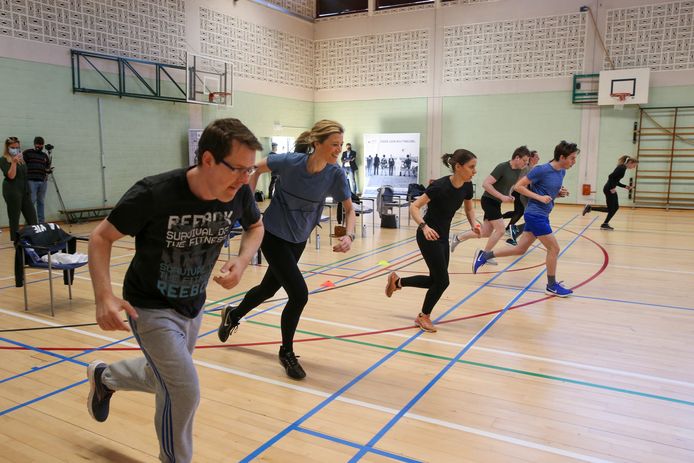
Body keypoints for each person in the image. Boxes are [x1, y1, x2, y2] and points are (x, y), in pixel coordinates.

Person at [86, 118, 264, 463]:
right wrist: (103, 296)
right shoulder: (155, 193)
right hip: (149, 307)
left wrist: (242, 262)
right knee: (183, 389)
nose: (246, 179)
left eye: (250, 170)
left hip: (194, 305)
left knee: (162, 377)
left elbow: (256, 226)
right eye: (239, 169)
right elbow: (100, 237)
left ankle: (105, 377)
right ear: (208, 159)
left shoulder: (238, 193)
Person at [217, 120, 357, 380]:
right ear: (317, 144)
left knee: (269, 288)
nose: (338, 150)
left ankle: (233, 314)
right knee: (299, 294)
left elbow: (350, 210)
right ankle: (286, 352)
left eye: (340, 145)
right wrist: (247, 203)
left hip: (299, 237)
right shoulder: (290, 162)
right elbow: (255, 168)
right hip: (272, 234)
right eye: (334, 145)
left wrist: (349, 235)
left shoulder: (335, 174)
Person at [385, 149, 478, 333]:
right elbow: (415, 206)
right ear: (458, 167)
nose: (475, 171)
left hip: (443, 237)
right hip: (428, 236)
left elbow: (469, 209)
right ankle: (423, 316)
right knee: (443, 281)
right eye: (471, 167)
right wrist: (424, 227)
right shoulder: (440, 186)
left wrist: (474, 224)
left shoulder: (467, 186)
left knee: (435, 280)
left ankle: (398, 282)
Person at [471, 140, 579, 298]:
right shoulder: (541, 170)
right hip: (535, 215)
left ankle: (484, 255)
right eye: (572, 158)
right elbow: (518, 187)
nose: (574, 162)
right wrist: (539, 197)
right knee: (554, 249)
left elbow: (548, 191)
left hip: (543, 214)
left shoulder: (561, 171)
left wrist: (558, 194)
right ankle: (551, 286)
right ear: (562, 157)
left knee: (519, 249)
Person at [450, 146, 529, 255]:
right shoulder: (502, 167)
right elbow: (486, 184)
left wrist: (509, 194)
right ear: (517, 158)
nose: (525, 163)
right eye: (524, 160)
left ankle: (458, 238)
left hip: (496, 203)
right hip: (488, 201)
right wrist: (501, 196)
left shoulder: (519, 171)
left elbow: (512, 185)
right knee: (501, 230)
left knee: (486, 232)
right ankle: (484, 255)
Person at [582, 155, 638, 230]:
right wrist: (612, 188)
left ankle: (592, 210)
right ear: (630, 162)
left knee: (614, 208)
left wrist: (625, 186)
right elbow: (610, 177)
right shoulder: (622, 168)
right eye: (634, 165)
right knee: (611, 209)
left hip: (609, 188)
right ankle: (603, 222)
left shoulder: (622, 167)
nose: (634, 167)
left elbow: (616, 181)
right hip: (609, 189)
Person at [1, 136, 38, 241]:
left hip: (24, 190)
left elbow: (25, 174)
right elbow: (11, 176)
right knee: (14, 217)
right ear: (7, 148)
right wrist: (14, 162)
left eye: (17, 147)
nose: (15, 149)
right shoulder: (3, 159)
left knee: (32, 215)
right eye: (13, 147)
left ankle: (36, 237)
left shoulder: (21, 159)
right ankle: (16, 240)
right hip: (12, 190)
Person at [503, 149, 540, 245]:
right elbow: (518, 182)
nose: (538, 158)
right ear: (531, 158)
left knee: (517, 212)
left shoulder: (533, 168)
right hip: (519, 193)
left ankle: (500, 219)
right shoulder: (525, 168)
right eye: (536, 156)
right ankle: (509, 228)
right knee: (519, 212)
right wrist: (510, 192)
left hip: (524, 193)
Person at [23, 136, 52, 223]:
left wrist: (48, 171)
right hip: (31, 181)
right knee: (31, 202)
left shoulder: (45, 156)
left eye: (41, 144)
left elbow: (47, 167)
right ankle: (29, 222)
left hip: (43, 181)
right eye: (38, 144)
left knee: (41, 202)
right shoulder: (28, 153)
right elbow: (22, 166)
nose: (39, 146)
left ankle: (41, 222)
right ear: (34, 144)